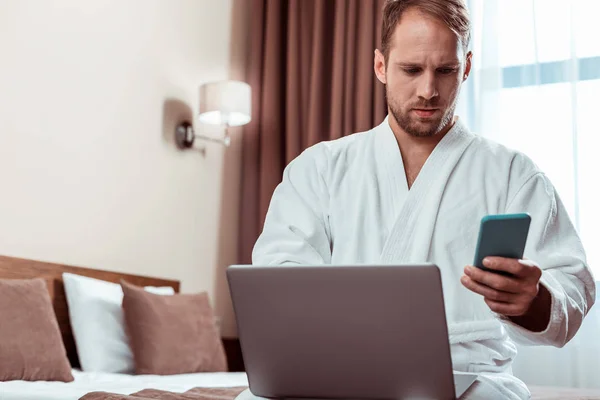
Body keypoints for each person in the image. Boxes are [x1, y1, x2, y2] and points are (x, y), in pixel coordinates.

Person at [252, 0, 595, 398]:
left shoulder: (514, 174)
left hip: (470, 378)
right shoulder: (319, 168)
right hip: (341, 372)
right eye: (411, 69)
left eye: (445, 70)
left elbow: (572, 285)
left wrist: (533, 299)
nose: (428, 90)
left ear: (466, 67)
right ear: (380, 66)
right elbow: (279, 283)